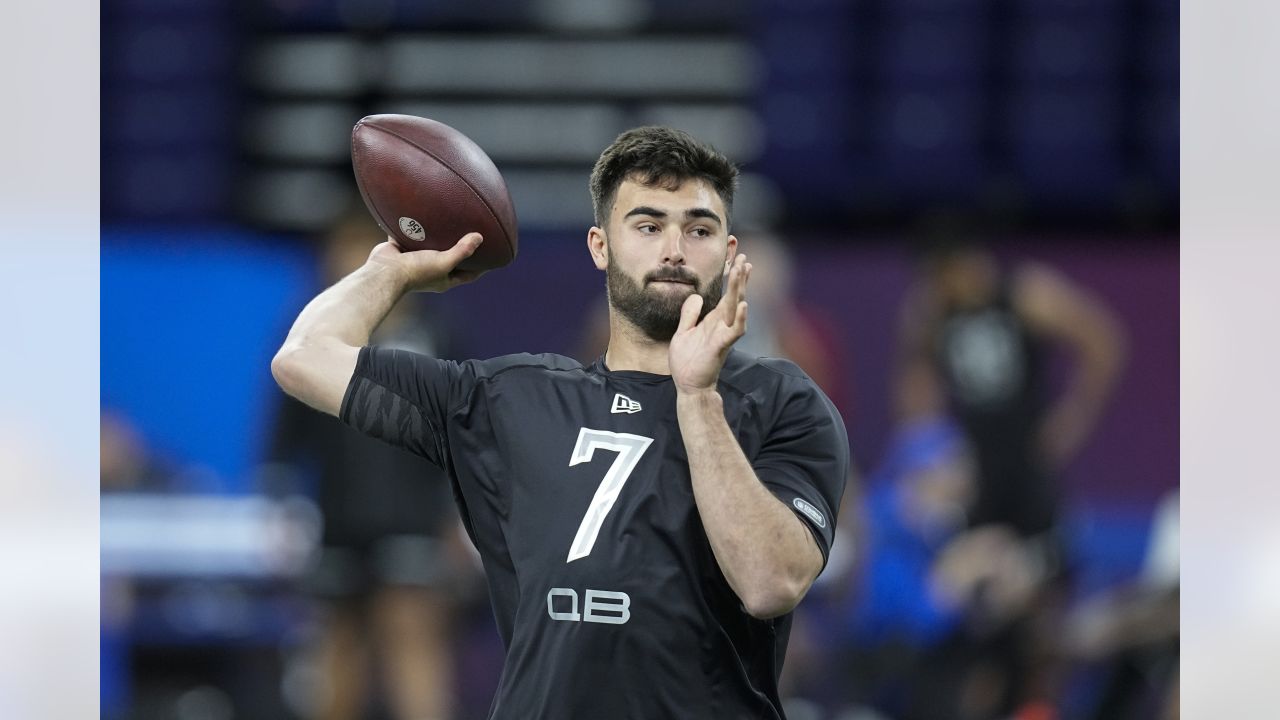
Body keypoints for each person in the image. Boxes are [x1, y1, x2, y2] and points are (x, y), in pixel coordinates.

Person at [270, 126, 850, 719]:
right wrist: (393, 271)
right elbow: (303, 358)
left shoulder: (783, 401)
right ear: (600, 246)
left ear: (729, 253)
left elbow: (770, 582)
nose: (674, 248)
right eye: (648, 226)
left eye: (699, 229)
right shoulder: (511, 397)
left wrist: (697, 394)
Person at [894, 234, 1127, 718]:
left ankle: (1039, 706)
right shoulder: (933, 311)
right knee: (977, 619)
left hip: (1030, 482)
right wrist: (931, 453)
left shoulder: (1024, 294)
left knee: (1040, 619)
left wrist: (1072, 419)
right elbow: (915, 382)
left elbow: (1102, 338)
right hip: (980, 485)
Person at [262, 209, 472, 720]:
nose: (349, 259)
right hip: (337, 521)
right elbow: (285, 440)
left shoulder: (433, 338)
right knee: (336, 648)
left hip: (411, 521)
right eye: (341, 248)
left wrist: (457, 519)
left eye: (362, 248)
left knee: (411, 639)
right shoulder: (308, 341)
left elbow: (461, 434)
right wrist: (282, 509)